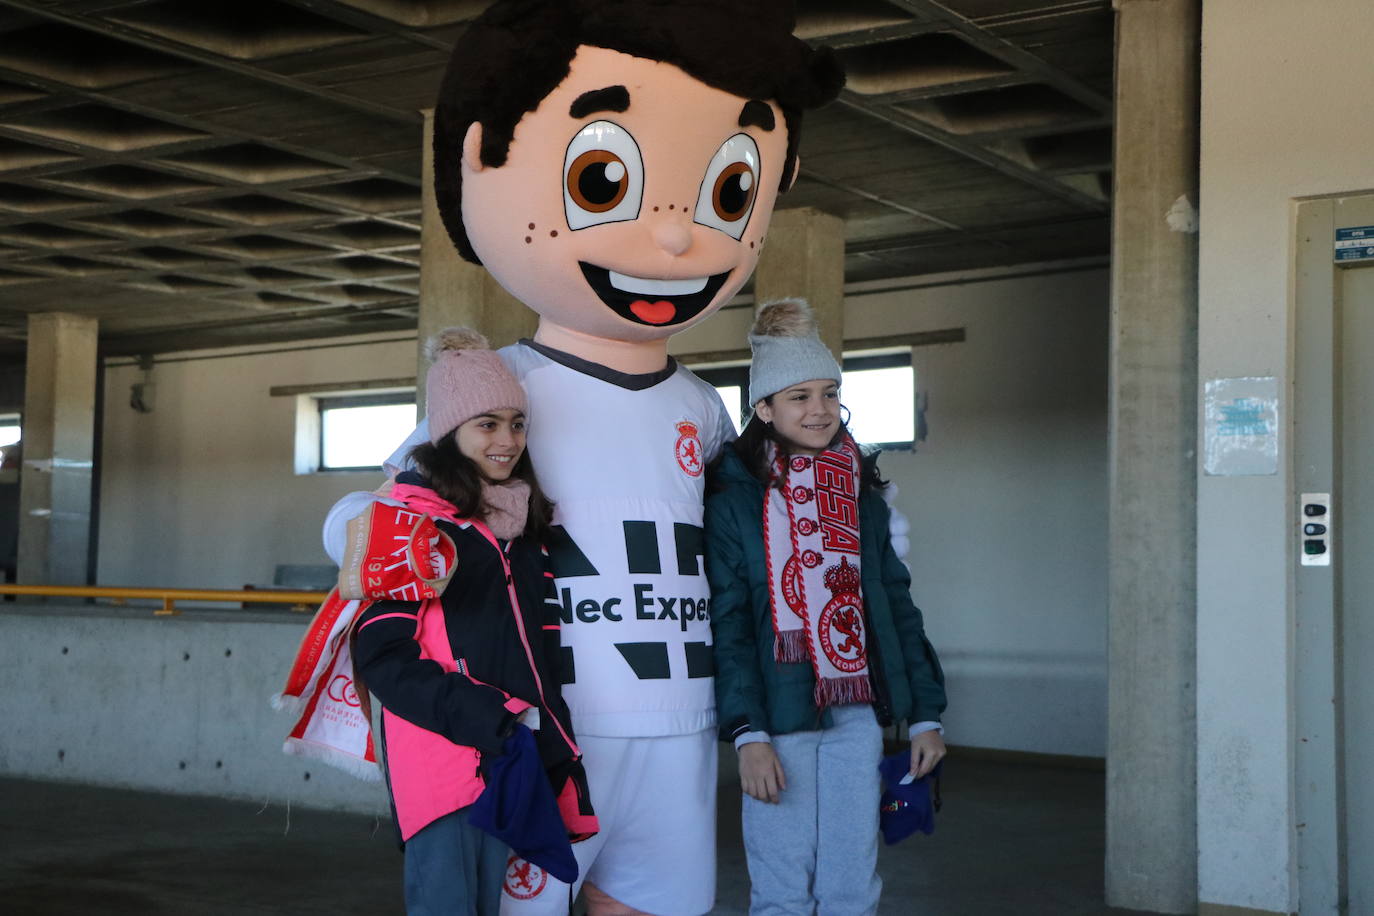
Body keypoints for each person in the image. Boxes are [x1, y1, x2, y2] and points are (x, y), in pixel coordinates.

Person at [322, 3, 845, 913]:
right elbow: (385, 515)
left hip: (682, 720)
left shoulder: (701, 408)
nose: (677, 238)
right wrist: (367, 535)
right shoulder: (503, 396)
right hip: (554, 717)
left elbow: (751, 531)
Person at [704, 299, 948, 916]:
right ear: (763, 408)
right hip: (779, 718)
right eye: (798, 396)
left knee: (850, 887)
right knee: (782, 888)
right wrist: (746, 734)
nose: (819, 410)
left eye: (829, 393)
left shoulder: (862, 494)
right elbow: (727, 623)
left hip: (857, 715)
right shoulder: (735, 500)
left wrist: (924, 715)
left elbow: (896, 605)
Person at [350, 328, 596, 916]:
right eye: (486, 424)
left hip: (512, 755)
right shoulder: (412, 524)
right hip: (447, 764)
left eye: (515, 423)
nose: (507, 440)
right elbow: (380, 654)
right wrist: (484, 716)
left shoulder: (520, 527)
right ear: (449, 433)